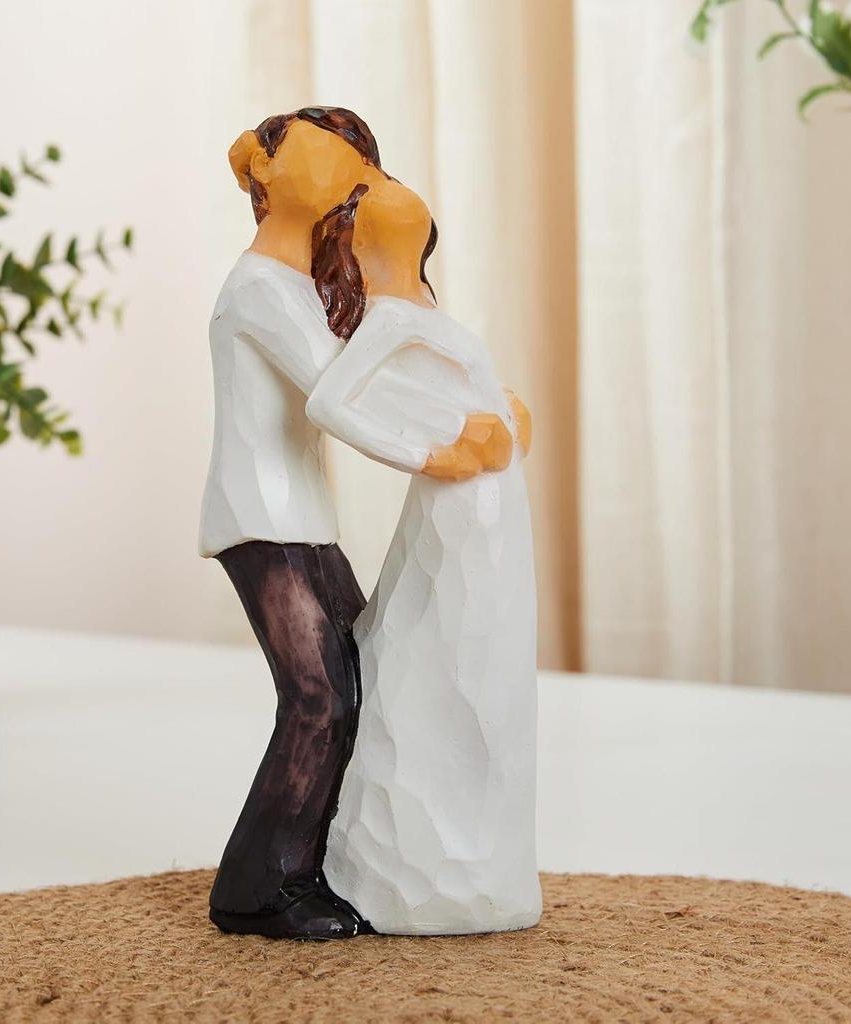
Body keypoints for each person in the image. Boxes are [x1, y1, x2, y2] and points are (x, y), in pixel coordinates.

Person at [306, 179, 541, 935]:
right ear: (361, 241)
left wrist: (508, 411)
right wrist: (428, 453)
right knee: (442, 659)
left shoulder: (427, 315)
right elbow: (329, 403)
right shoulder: (386, 323)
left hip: (494, 516)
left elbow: (461, 391)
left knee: (488, 670)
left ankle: (485, 867)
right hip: (456, 513)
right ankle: (410, 871)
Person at [199, 108, 388, 940]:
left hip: (299, 515)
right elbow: (339, 391)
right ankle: (260, 887)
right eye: (326, 154)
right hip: (261, 517)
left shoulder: (291, 288)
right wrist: (443, 439)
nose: (345, 171)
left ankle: (326, 865)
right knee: (318, 697)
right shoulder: (258, 290)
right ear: (268, 174)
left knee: (360, 678)